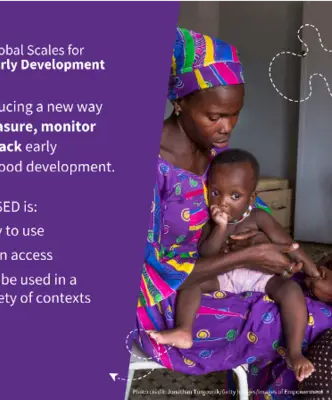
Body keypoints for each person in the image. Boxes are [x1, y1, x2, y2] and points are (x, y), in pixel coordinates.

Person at [135, 27, 332, 399]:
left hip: (219, 273)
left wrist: (278, 252)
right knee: (313, 320)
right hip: (164, 302)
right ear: (180, 103)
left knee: (301, 294)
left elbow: (253, 212)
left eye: (234, 114)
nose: (227, 128)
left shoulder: (214, 157)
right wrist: (249, 255)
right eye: (215, 116)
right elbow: (145, 273)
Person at [149, 148, 326, 382]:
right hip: (223, 275)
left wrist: (312, 269)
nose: (223, 202)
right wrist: (220, 229)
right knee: (190, 282)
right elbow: (206, 254)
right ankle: (184, 329)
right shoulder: (210, 222)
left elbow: (288, 244)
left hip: (261, 277)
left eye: (235, 196)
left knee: (291, 290)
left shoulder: (259, 218)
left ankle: (294, 352)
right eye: (215, 192)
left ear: (251, 198)